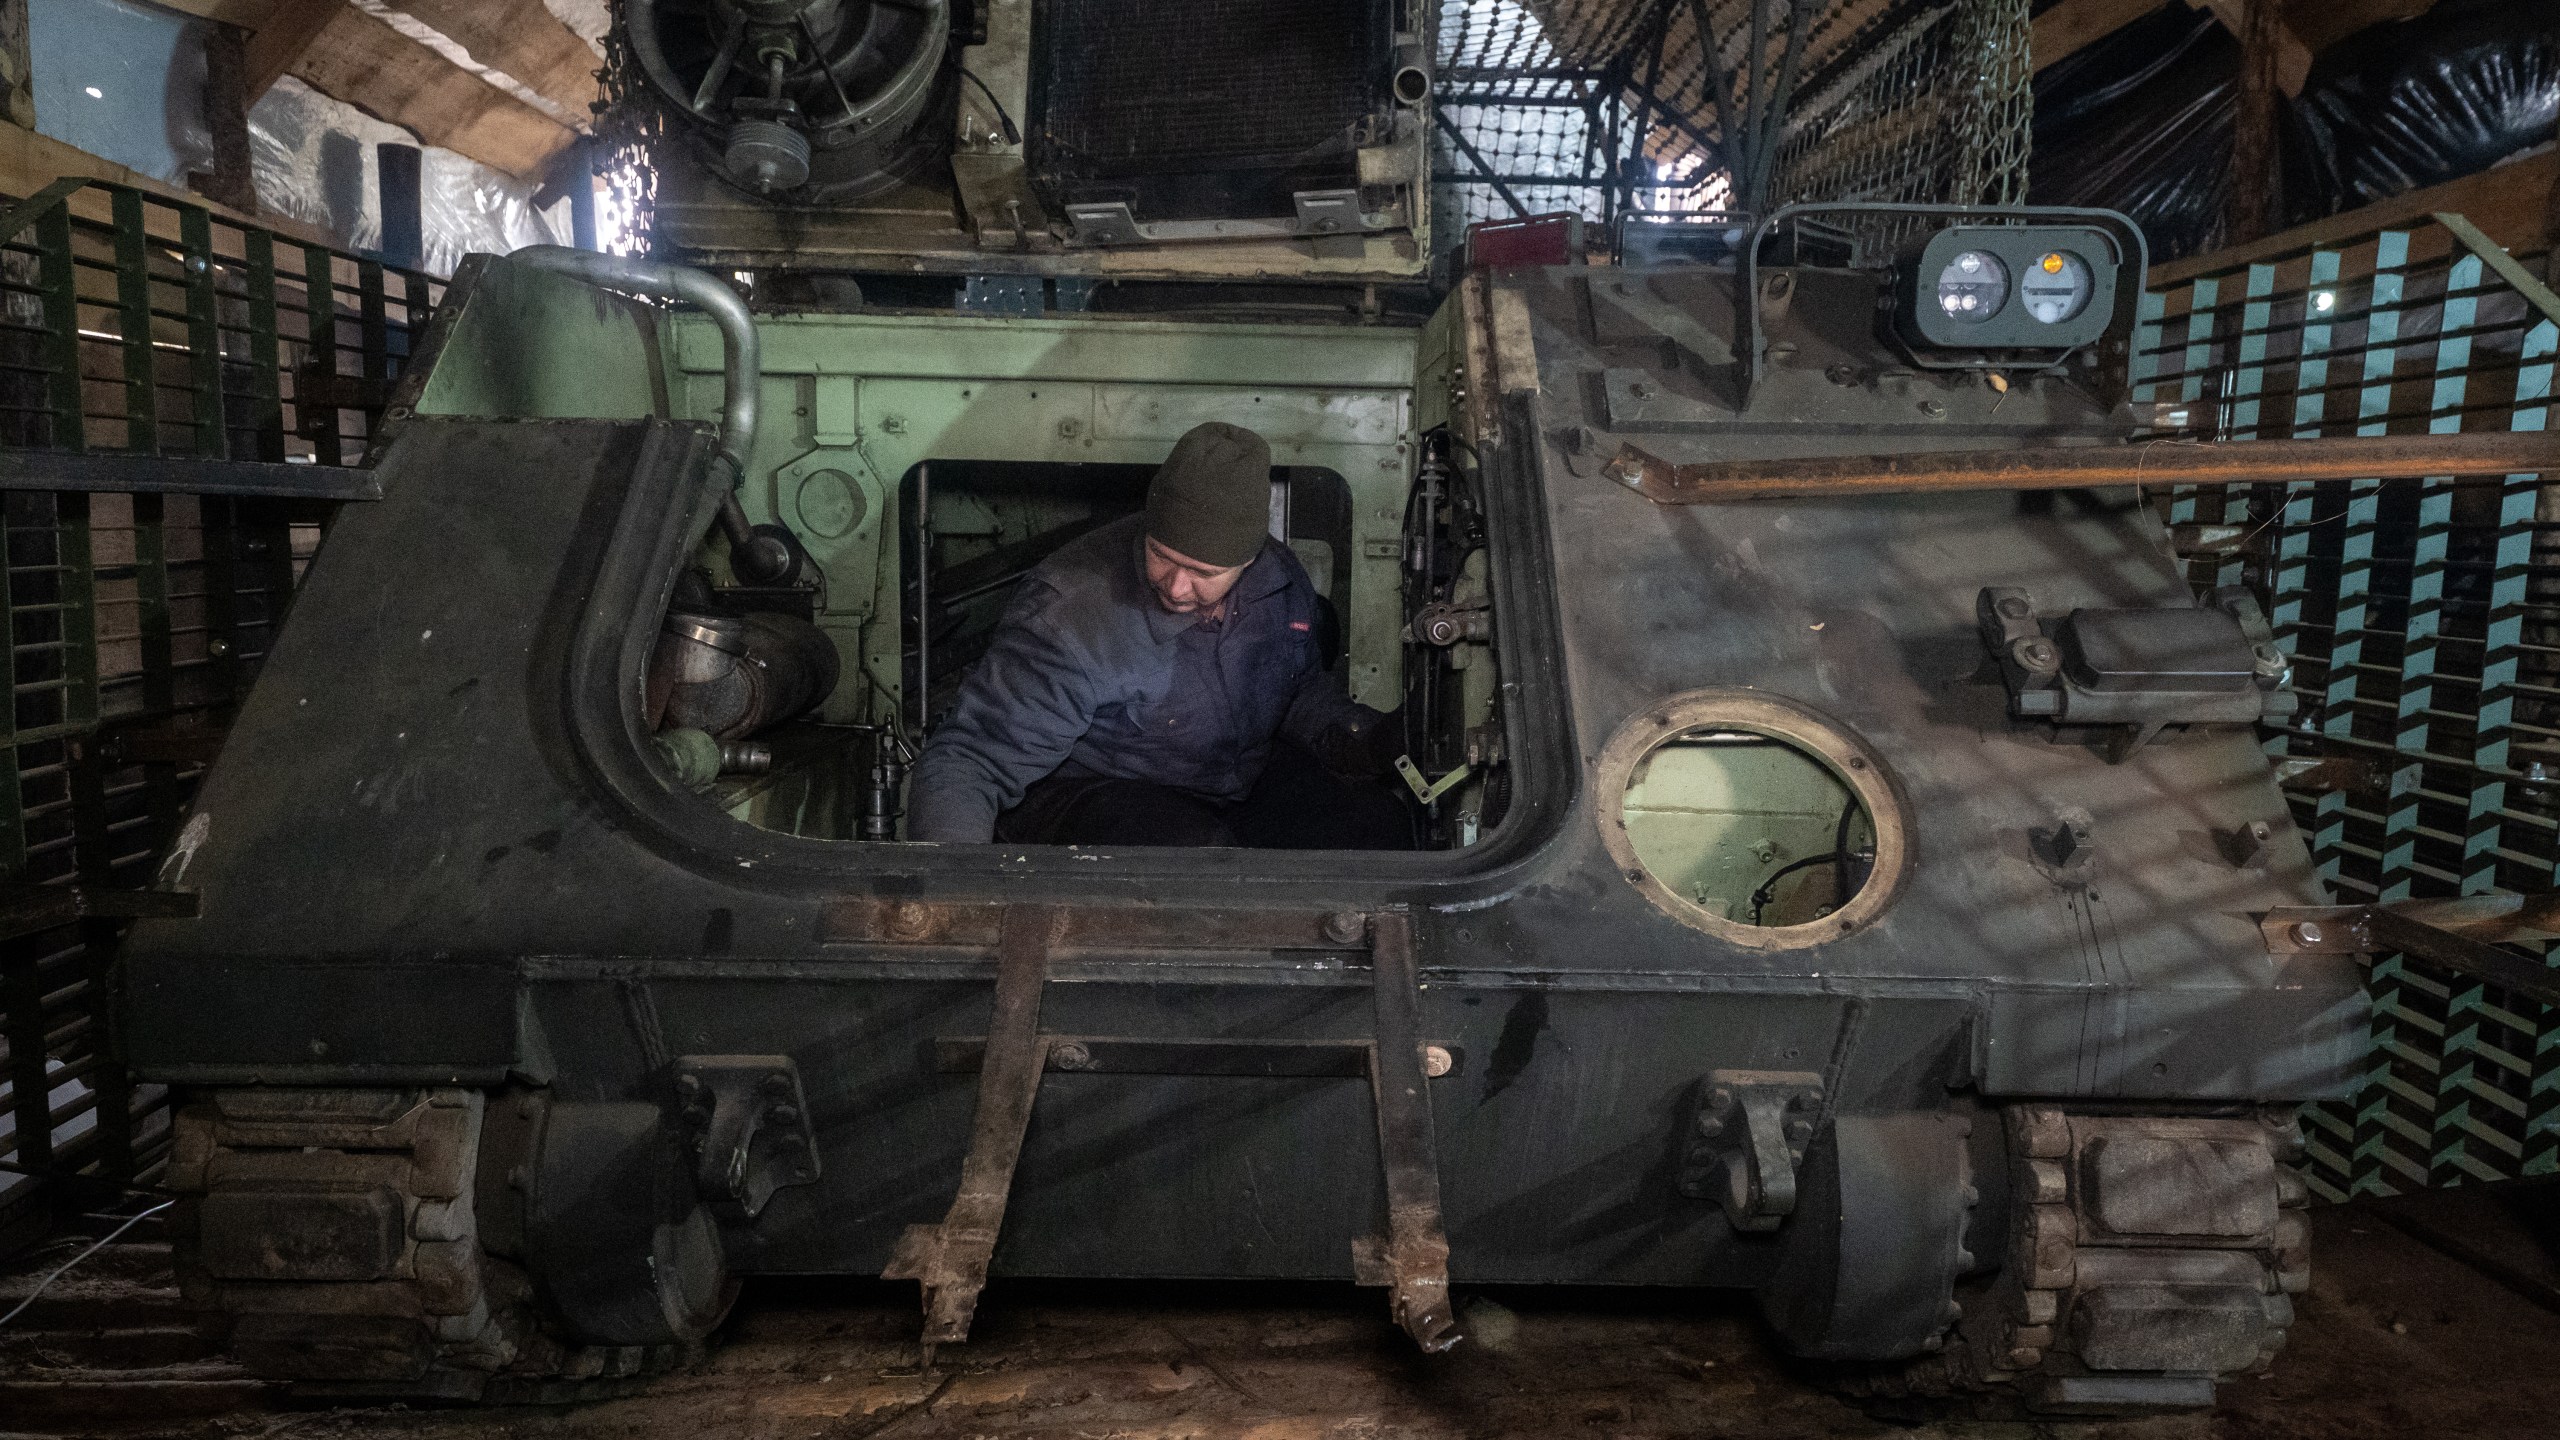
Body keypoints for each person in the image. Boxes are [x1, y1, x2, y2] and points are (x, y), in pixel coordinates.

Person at [908, 421, 1411, 848]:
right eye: (1161, 555)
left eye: (1202, 572)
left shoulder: (1279, 583)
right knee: (1195, 861)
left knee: (1377, 827)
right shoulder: (1072, 614)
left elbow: (1293, 691)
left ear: (1247, 560)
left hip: (1227, 786)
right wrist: (952, 894)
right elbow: (971, 760)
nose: (1175, 585)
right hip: (1088, 792)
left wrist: (1360, 738)